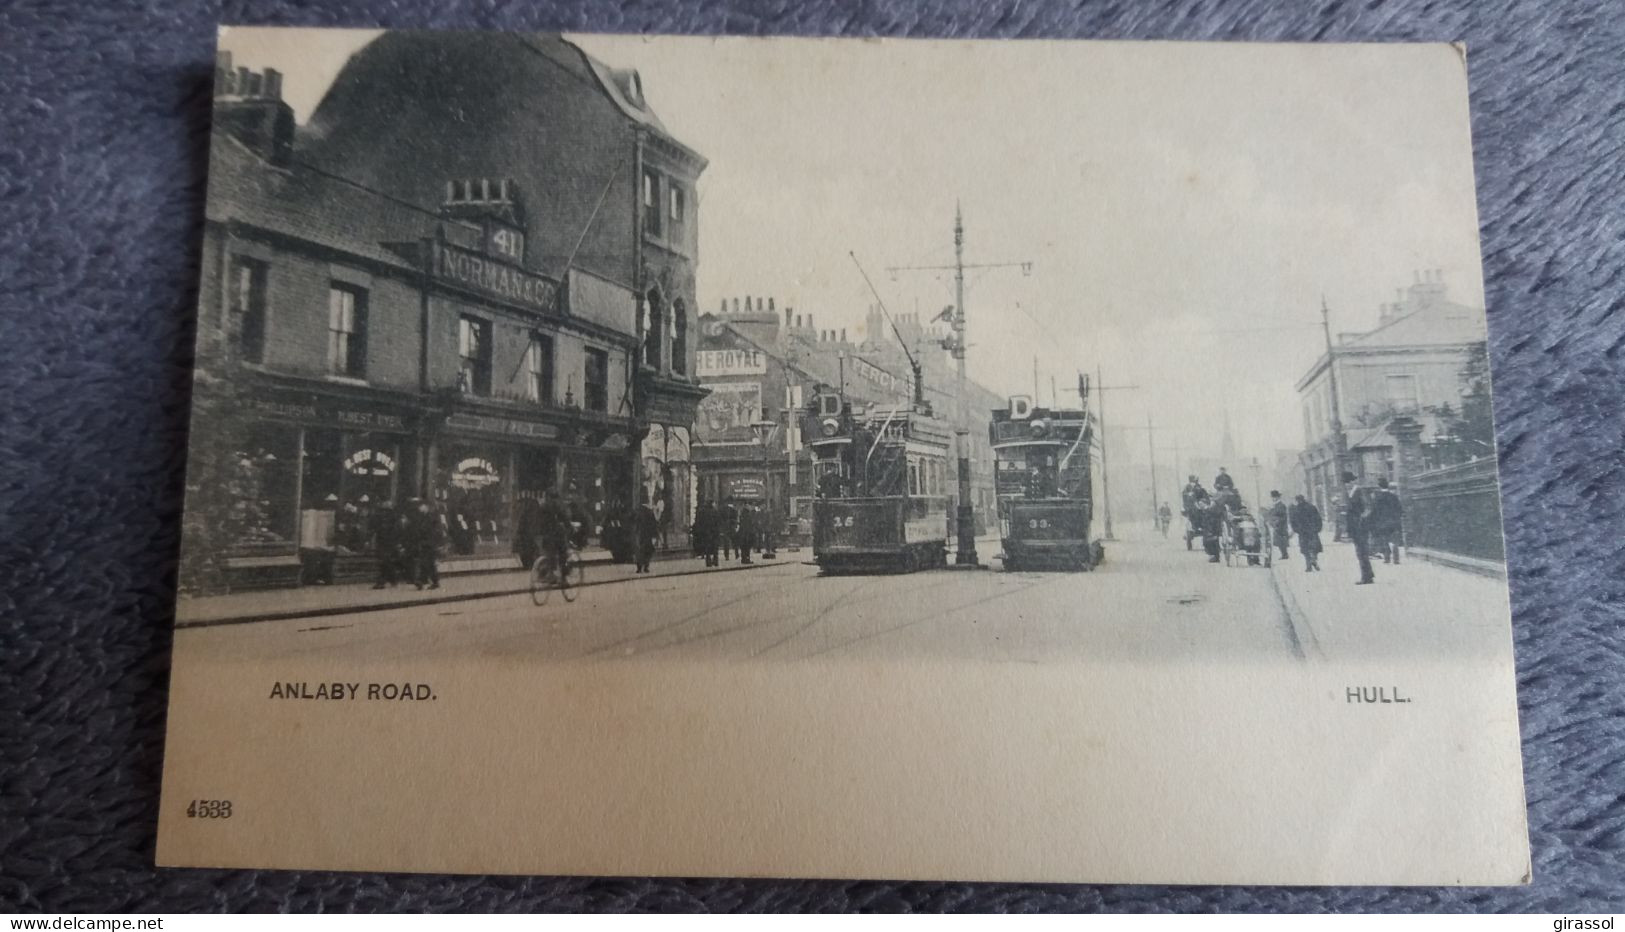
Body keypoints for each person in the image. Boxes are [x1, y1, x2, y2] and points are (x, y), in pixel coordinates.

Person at [1343, 471, 1375, 585]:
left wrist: (1361, 520)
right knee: (1360, 552)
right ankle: (1368, 574)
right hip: (1356, 528)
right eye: (1345, 483)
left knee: (1362, 552)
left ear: (1353, 481)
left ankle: (1366, 577)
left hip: (1360, 527)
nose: (1346, 484)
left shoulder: (1359, 491)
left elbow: (1368, 508)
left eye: (1348, 482)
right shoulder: (1352, 493)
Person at [538, 491, 573, 581]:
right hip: (555, 535)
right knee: (563, 554)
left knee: (548, 555)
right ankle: (563, 579)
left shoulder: (542, 506)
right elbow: (564, 518)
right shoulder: (556, 506)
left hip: (544, 535)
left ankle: (543, 574)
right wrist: (569, 527)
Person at [1369, 477, 1404, 564]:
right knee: (1395, 541)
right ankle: (1396, 559)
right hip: (1394, 522)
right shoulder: (1394, 497)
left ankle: (1387, 558)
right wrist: (1397, 518)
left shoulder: (1377, 498)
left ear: (1379, 487)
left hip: (1382, 523)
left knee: (1384, 540)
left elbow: (1374, 511)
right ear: (1387, 486)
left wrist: (1374, 521)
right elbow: (1400, 509)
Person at [409, 498, 442, 590]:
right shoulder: (424, 516)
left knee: (427, 562)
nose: (419, 508)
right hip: (425, 544)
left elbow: (432, 531)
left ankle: (423, 581)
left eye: (420, 506)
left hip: (429, 544)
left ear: (425, 506)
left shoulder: (430, 517)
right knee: (428, 563)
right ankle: (429, 581)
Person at [370, 501, 403, 589]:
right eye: (383, 510)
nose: (384, 512)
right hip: (383, 541)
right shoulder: (381, 518)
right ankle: (392, 579)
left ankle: (382, 581)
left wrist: (396, 541)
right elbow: (376, 528)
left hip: (389, 542)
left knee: (385, 561)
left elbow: (397, 530)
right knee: (385, 561)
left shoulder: (394, 518)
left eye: (386, 510)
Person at [1289, 494, 1323, 572]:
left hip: (1303, 532)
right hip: (1312, 531)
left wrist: (1297, 530)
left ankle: (1308, 565)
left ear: (1297, 500)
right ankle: (1313, 560)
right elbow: (1318, 519)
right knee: (1314, 547)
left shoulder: (1296, 510)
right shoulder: (1311, 507)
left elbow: (1293, 522)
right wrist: (1318, 528)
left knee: (1305, 549)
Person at [514, 497, 543, 573]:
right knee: (533, 550)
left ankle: (528, 565)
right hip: (532, 536)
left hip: (526, 537)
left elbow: (521, 527)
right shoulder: (538, 514)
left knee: (527, 551)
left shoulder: (525, 515)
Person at [632, 500, 660, 573]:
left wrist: (635, 533)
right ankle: (646, 567)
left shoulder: (638, 512)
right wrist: (655, 535)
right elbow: (654, 525)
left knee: (639, 552)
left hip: (640, 535)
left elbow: (635, 525)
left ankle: (639, 567)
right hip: (648, 536)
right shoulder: (650, 513)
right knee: (648, 552)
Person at [1264, 491, 1290, 560]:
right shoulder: (1275, 505)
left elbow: (1282, 516)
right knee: (1279, 540)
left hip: (1281, 525)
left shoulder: (1281, 505)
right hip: (1276, 524)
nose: (1273, 499)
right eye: (1272, 497)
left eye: (1274, 497)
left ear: (1278, 497)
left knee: (1281, 539)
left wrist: (1276, 520)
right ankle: (1284, 554)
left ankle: (1285, 554)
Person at [1199, 498, 1224, 563]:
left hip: (1211, 528)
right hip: (1207, 529)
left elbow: (1213, 519)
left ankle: (1215, 556)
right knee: (1208, 542)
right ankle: (1214, 556)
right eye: (1200, 504)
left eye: (1201, 504)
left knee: (1211, 542)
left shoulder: (1209, 510)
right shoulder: (1205, 510)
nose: (1200, 505)